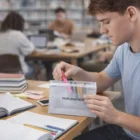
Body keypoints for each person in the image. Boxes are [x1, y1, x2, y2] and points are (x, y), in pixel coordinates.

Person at [53, 0, 140, 139]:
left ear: (131, 13)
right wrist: (77, 71)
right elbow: (102, 80)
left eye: (106, 22)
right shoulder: (123, 50)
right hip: (127, 130)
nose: (102, 30)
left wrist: (117, 116)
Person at [0, 12, 35, 78]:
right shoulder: (18, 34)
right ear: (20, 24)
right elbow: (29, 50)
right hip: (17, 71)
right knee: (34, 67)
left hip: (1, 72)